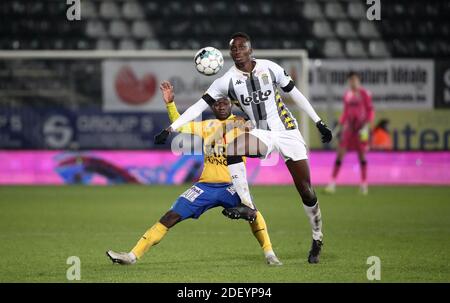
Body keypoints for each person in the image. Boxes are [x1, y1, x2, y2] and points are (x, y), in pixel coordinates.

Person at [154, 32, 332, 264]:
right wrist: (171, 128)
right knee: (232, 148)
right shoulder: (225, 81)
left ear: (250, 49)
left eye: (241, 47)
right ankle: (246, 206)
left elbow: (296, 94)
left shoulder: (270, 68)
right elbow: (197, 107)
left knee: (306, 190)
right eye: (233, 48)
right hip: (262, 133)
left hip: (288, 132)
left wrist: (318, 122)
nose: (237, 50)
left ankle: (317, 238)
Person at [107, 81, 282, 266]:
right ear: (211, 106)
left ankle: (269, 253)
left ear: (230, 103)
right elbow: (180, 125)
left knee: (252, 212)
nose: (221, 106)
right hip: (205, 186)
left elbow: (263, 126)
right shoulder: (205, 125)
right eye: (216, 103)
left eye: (224, 102)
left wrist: (244, 105)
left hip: (232, 185)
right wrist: (170, 104)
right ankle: (132, 256)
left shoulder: (243, 123)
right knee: (170, 216)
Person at [325, 71, 375, 195]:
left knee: (362, 155)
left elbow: (370, 111)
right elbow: (346, 113)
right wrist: (338, 129)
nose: (353, 82)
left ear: (358, 81)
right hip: (349, 129)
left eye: (355, 80)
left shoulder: (364, 94)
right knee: (340, 154)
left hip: (361, 129)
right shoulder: (347, 95)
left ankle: (364, 184)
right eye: (351, 80)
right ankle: (332, 183)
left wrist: (367, 125)